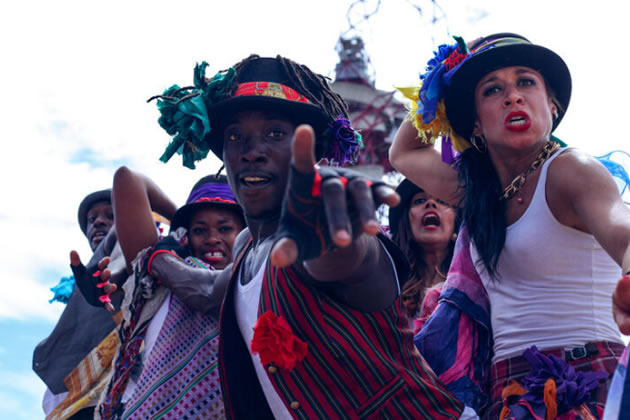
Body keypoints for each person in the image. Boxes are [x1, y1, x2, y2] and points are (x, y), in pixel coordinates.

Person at [142, 55, 477, 419]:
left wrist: (335, 234)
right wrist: (154, 257)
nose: (252, 152)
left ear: (314, 152)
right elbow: (207, 290)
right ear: (223, 153)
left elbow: (342, 257)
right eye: (236, 136)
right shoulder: (245, 253)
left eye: (275, 134)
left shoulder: (323, 230)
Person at [389, 33, 630, 419]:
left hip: (583, 385)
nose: (513, 96)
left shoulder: (570, 170)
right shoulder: (481, 193)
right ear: (475, 126)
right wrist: (441, 81)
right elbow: (403, 153)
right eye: (493, 89)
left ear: (552, 106)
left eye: (526, 82)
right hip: (506, 395)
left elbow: (623, 230)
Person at [95, 172, 245, 419]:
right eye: (200, 230)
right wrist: (175, 231)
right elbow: (127, 179)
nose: (212, 239)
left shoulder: (261, 276)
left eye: (225, 228)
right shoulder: (158, 278)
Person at [34, 189, 121, 420]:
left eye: (110, 216)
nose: (99, 222)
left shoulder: (140, 261)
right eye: (92, 219)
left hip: (121, 387)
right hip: (74, 398)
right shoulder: (79, 285)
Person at [389, 178, 459, 332]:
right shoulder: (388, 283)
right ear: (406, 222)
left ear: (456, 221)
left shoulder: (479, 280)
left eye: (442, 200)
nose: (431, 204)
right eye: (419, 200)